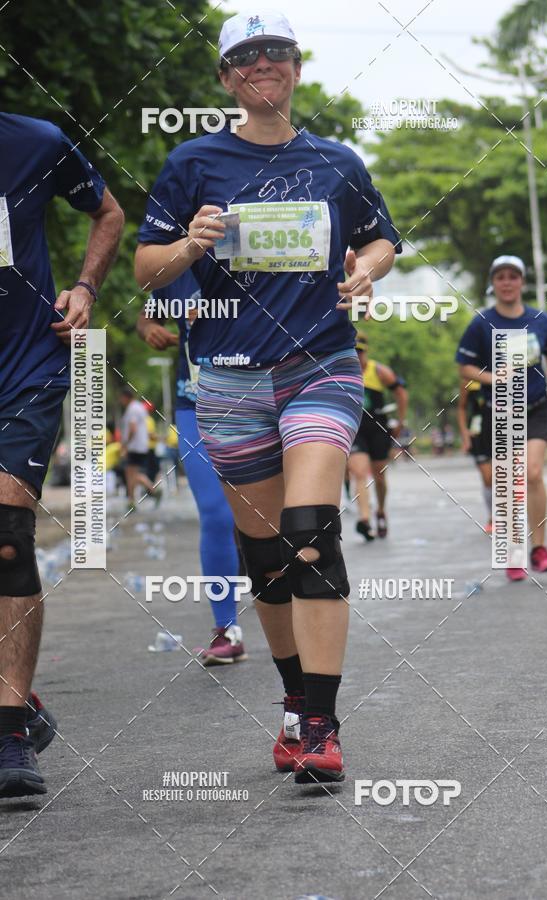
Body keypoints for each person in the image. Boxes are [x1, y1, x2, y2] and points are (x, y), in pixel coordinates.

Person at [135, 9, 401, 783]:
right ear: (226, 77)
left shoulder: (337, 162)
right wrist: (189, 244)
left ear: (296, 67)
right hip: (226, 376)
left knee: (310, 531)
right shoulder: (192, 161)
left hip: (320, 364)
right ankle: (293, 701)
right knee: (270, 556)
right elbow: (147, 269)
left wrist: (366, 270)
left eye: (275, 52)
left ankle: (321, 723)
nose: (262, 64)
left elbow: (382, 237)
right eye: (246, 56)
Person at [0, 112, 123, 797]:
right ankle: (23, 699)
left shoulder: (36, 143)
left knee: (6, 536)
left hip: (26, 367)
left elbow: (108, 212)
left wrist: (85, 287)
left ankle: (9, 731)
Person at [136, 273, 247, 664]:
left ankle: (298, 624)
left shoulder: (257, 255)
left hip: (260, 397)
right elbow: (147, 316)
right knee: (216, 515)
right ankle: (227, 628)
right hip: (194, 402)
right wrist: (149, 329)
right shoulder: (175, 266)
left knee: (272, 518)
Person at [456, 255, 547, 581]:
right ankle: (514, 552)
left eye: (513, 276)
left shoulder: (540, 319)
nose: (507, 282)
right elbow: (465, 367)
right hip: (501, 410)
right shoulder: (481, 323)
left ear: (522, 282)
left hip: (537, 407)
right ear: (493, 283)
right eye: (500, 277)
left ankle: (539, 549)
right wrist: (493, 378)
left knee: (532, 472)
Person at [347, 333, 408, 540]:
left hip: (378, 429)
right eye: (353, 351)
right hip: (355, 429)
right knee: (359, 472)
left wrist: (400, 422)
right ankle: (364, 520)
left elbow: (401, 393)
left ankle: (380, 510)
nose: (357, 356)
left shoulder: (379, 371)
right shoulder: (342, 372)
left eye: (360, 351)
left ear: (366, 351)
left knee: (379, 476)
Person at [457, 379, 493, 533]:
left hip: (502, 429)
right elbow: (462, 408)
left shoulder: (504, 372)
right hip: (478, 433)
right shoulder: (468, 379)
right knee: (488, 478)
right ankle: (492, 517)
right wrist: (464, 434)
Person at [118, 387, 162, 510]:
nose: (120, 401)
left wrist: (125, 444)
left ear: (125, 397)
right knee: (131, 473)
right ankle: (132, 500)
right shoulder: (139, 408)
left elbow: (133, 428)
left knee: (132, 474)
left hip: (134, 446)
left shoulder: (132, 409)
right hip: (142, 446)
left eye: (121, 398)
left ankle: (148, 493)